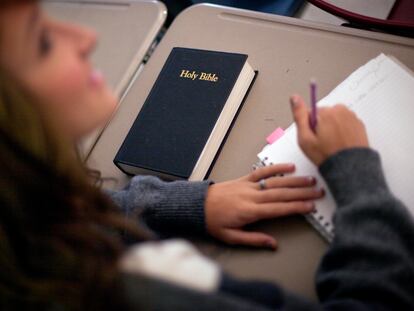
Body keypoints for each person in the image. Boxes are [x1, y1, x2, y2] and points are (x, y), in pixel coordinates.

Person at [0, 1, 413, 310]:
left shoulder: (24, 225)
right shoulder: (136, 294)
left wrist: (185, 202)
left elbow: (58, 220)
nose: (88, 38)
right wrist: (357, 173)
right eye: (43, 42)